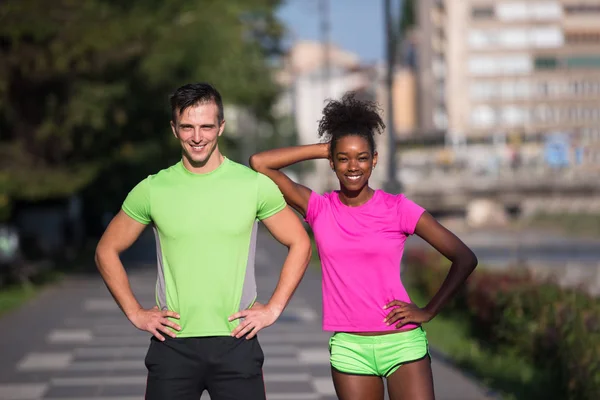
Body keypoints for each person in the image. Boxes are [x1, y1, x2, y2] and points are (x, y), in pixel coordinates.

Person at [247, 92, 478, 400]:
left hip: (402, 344)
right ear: (331, 162)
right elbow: (260, 163)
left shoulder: (398, 209)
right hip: (349, 349)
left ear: (375, 159)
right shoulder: (319, 208)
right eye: (342, 158)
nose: (353, 166)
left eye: (362, 157)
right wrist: (326, 147)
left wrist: (429, 310)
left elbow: (464, 257)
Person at [95, 82, 312, 400]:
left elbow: (300, 242)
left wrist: (274, 308)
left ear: (221, 127)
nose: (197, 137)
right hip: (173, 346)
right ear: (174, 129)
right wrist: (135, 313)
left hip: (237, 342)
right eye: (188, 127)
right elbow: (106, 250)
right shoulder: (153, 189)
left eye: (207, 126)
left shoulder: (253, 185)